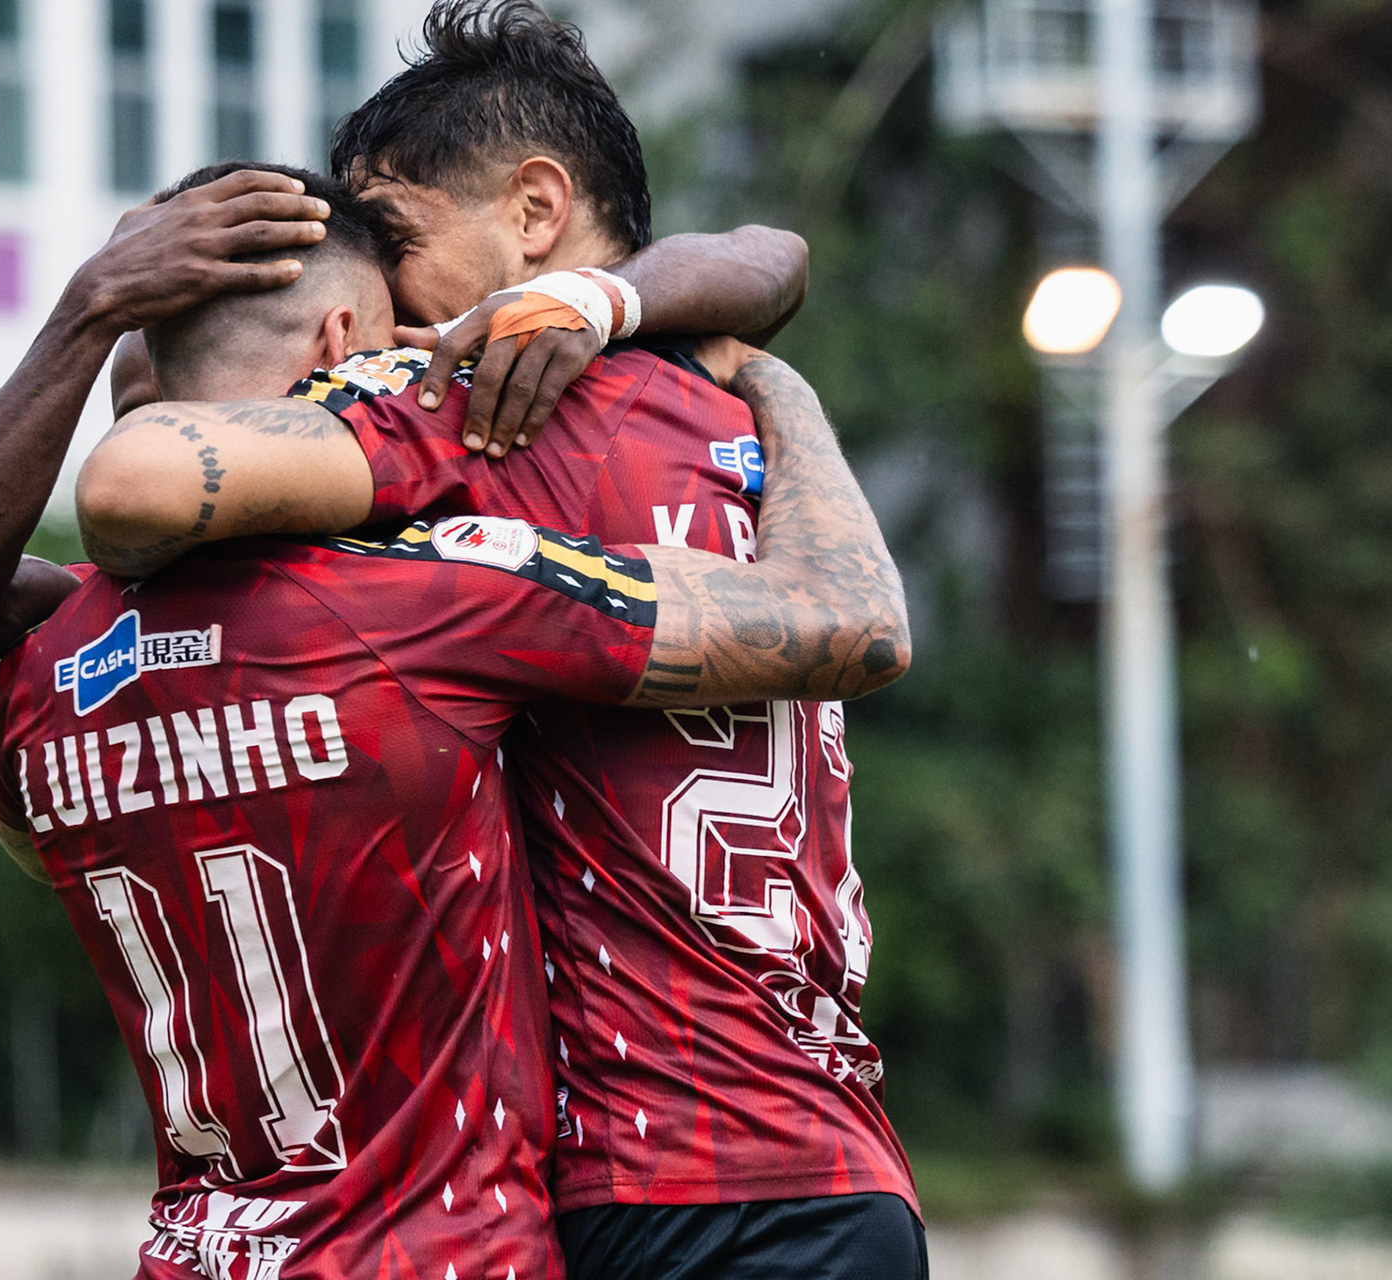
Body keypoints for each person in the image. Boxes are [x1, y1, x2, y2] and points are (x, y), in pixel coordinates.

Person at [77, 4, 927, 1277]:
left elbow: (139, 483)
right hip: (842, 1162)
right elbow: (770, 263)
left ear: (535, 213)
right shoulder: (733, 408)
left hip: (638, 1170)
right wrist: (782, 385)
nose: (384, 294)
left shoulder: (464, 418)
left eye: (400, 238)